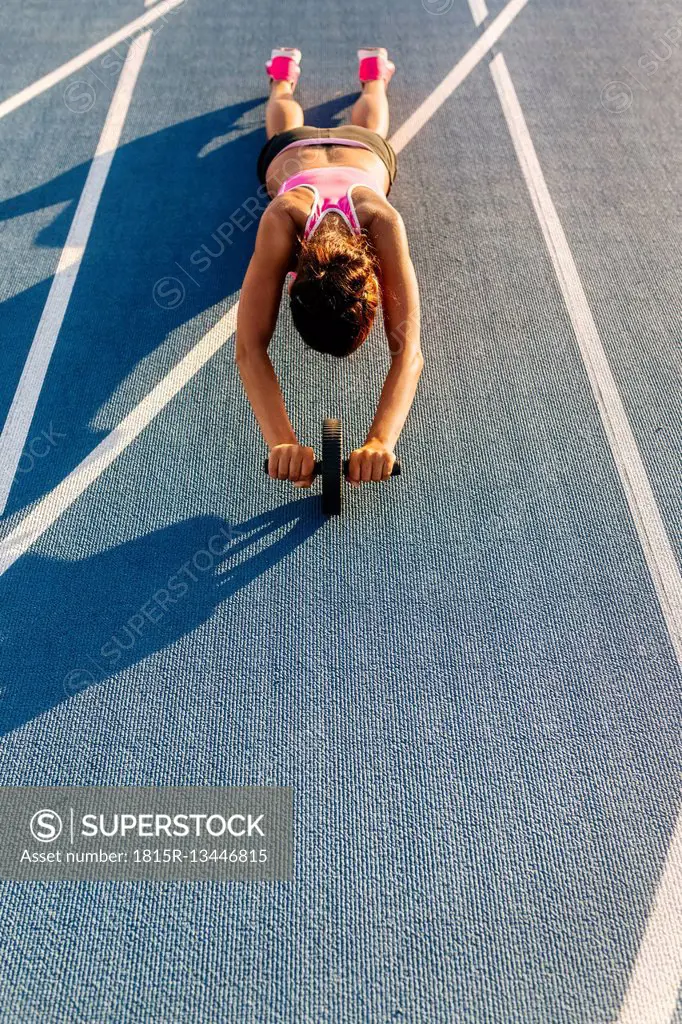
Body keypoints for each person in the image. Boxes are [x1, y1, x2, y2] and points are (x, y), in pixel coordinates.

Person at [236, 47, 423, 488]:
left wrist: (284, 441)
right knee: (341, 125)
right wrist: (379, 441)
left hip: (352, 152)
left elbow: (251, 350)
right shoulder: (376, 219)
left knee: (303, 122)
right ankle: (372, 76)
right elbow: (408, 351)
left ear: (293, 280)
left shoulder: (287, 215)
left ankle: (285, 78)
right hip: (330, 151)